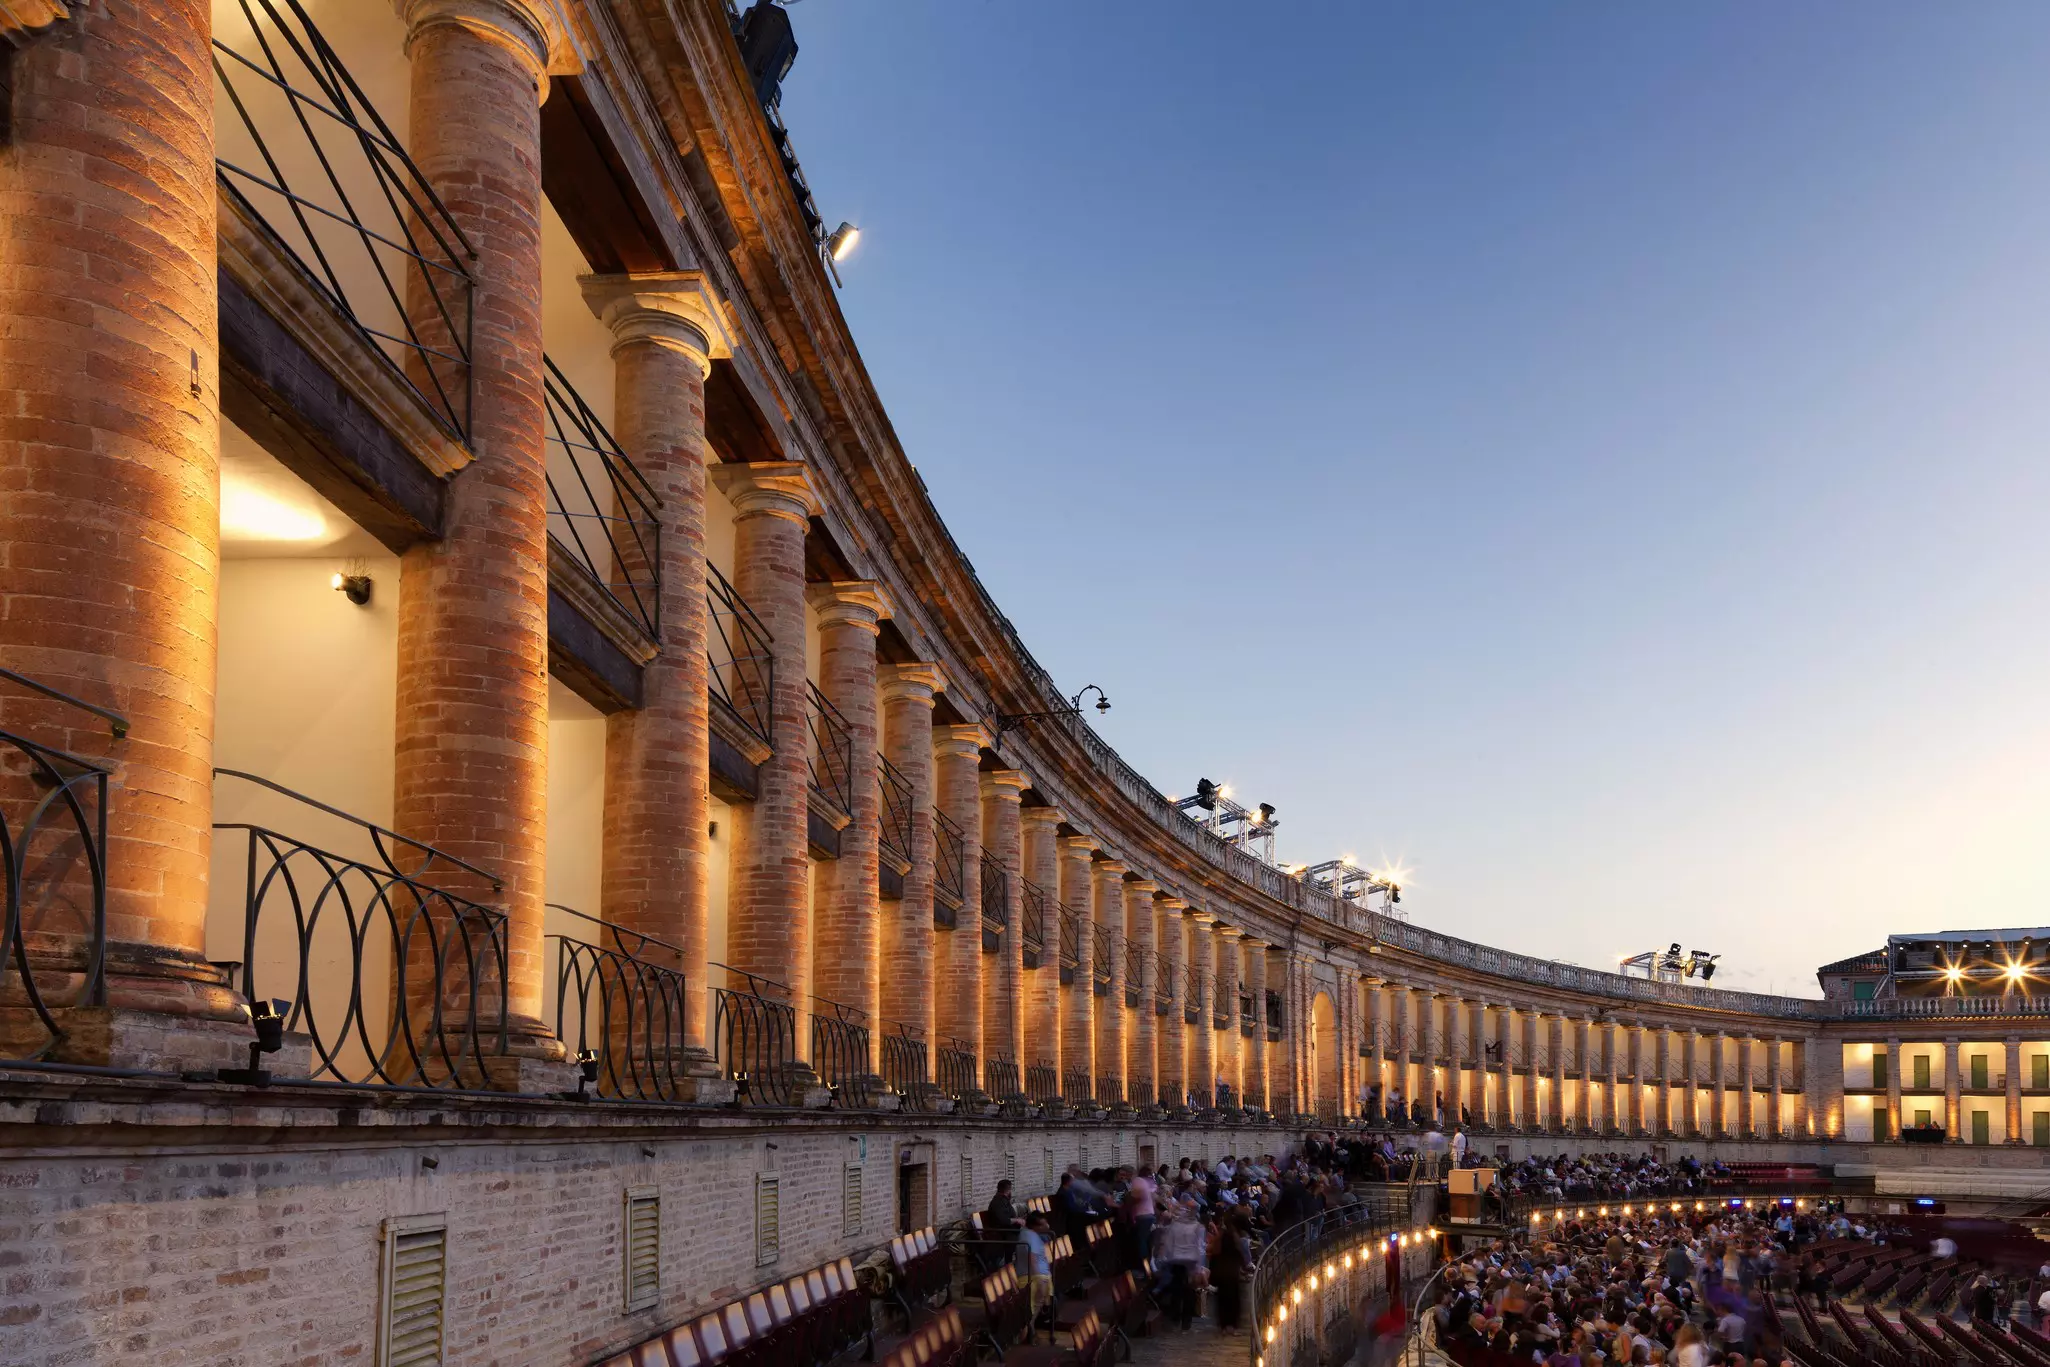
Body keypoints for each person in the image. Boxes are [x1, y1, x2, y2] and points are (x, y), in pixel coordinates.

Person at [1211, 1207, 1251, 1334]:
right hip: (1231, 1273)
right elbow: (1240, 1255)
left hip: (1221, 1271)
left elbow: (1215, 1252)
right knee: (1233, 1300)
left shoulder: (1223, 1235)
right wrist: (1244, 1267)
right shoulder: (1235, 1237)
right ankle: (1232, 1326)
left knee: (1223, 1299)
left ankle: (1223, 1326)